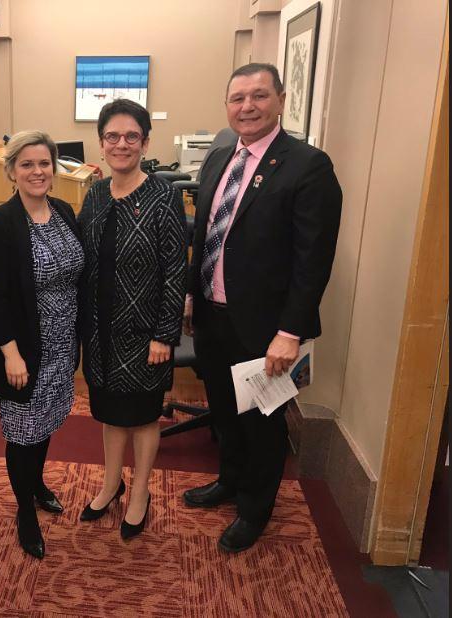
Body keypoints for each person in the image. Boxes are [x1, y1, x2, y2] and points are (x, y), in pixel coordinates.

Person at [182, 63, 341, 553]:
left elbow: (311, 261)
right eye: (237, 98)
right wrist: (192, 292)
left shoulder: (307, 166)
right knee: (226, 412)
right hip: (213, 314)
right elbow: (205, 235)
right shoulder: (217, 159)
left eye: (258, 96)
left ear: (280, 99)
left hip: (266, 327)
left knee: (263, 420)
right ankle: (229, 480)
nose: (247, 107)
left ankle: (255, 508)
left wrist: (290, 331)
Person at [77, 99, 186, 540]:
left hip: (144, 334)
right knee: (109, 413)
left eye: (131, 137)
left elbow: (176, 269)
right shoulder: (97, 193)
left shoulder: (164, 196)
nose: (121, 144)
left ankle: (139, 490)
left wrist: (165, 334)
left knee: (141, 417)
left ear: (145, 142)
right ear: (101, 144)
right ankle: (110, 483)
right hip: (100, 329)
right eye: (112, 137)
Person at [0, 130, 84, 559]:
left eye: (44, 163)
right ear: (11, 172)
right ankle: (25, 510)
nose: (38, 172)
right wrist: (10, 353)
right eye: (27, 164)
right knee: (23, 433)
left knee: (46, 423)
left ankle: (37, 485)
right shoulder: (1, 223)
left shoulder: (62, 210)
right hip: (24, 351)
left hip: (62, 344)